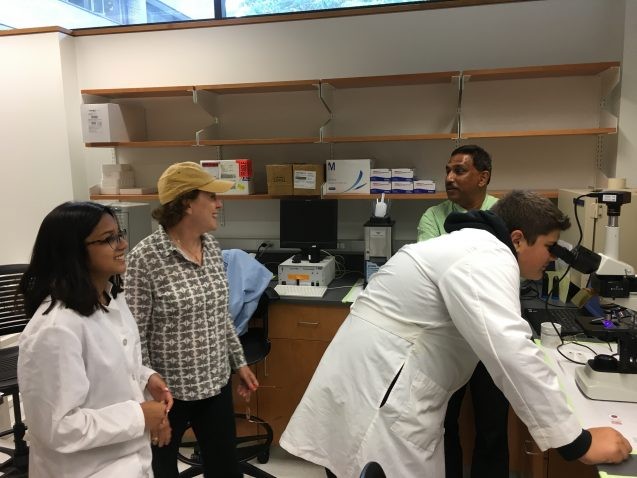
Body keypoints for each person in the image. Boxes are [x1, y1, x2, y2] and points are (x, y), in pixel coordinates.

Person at [280, 191, 632, 477]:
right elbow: (508, 348)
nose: (551, 260)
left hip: (369, 390)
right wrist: (577, 443)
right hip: (382, 403)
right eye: (549, 247)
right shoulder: (488, 255)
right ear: (518, 239)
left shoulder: (465, 246)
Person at [17, 201, 172, 478]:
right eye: (108, 239)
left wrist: (145, 377)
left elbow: (108, 366)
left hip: (129, 459)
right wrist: (140, 416)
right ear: (73, 251)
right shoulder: (55, 329)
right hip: (87, 470)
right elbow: (57, 427)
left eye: (120, 233)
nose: (122, 244)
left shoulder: (112, 297)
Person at [125, 161, 259, 478]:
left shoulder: (211, 247)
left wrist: (238, 362)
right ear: (187, 202)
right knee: (161, 472)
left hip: (214, 382)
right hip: (168, 393)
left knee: (226, 470)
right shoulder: (145, 258)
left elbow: (220, 314)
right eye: (211, 196)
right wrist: (146, 382)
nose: (219, 203)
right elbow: (133, 336)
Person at [417, 145, 508, 478]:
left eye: (459, 170)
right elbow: (430, 273)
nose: (449, 178)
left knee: (493, 427)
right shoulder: (433, 216)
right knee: (442, 424)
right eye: (448, 171)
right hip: (447, 336)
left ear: (483, 177)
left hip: (490, 336)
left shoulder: (505, 213)